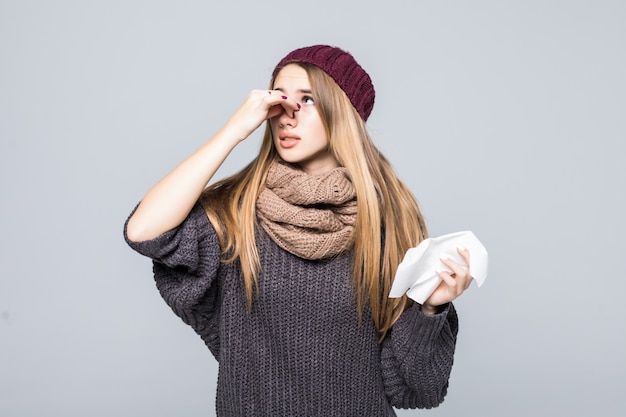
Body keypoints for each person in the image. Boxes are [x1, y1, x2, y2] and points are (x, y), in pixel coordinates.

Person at [124, 44, 473, 416]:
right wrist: (233, 131)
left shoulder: (389, 221)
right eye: (279, 99)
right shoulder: (236, 213)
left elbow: (418, 389)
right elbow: (144, 231)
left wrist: (431, 308)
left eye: (307, 100)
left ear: (344, 113)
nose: (287, 115)